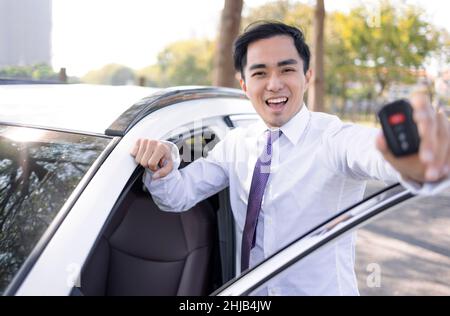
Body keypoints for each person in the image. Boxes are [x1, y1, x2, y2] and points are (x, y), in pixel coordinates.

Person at [130, 21, 450, 295]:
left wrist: (416, 162)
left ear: (307, 76)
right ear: (244, 84)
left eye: (287, 69)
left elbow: (373, 153)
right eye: (260, 73)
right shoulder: (236, 144)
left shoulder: (333, 139)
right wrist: (163, 164)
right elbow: (178, 195)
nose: (274, 84)